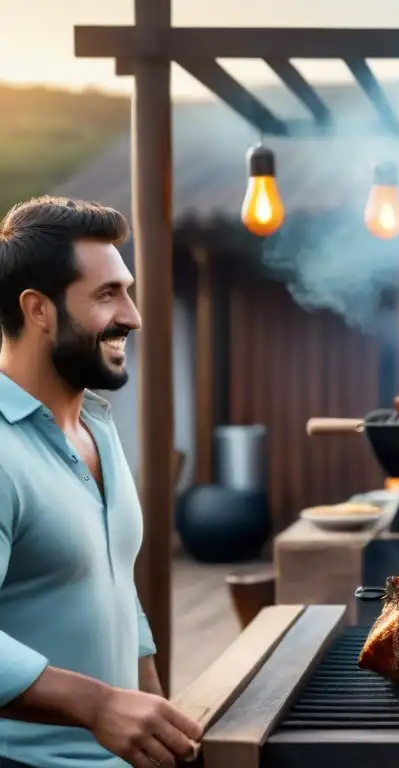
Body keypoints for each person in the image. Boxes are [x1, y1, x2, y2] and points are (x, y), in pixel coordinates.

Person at [0, 197, 203, 768]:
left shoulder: (96, 425)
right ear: (38, 310)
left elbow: (114, 582)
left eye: (128, 290)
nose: (133, 316)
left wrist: (153, 707)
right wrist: (96, 706)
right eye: (108, 294)